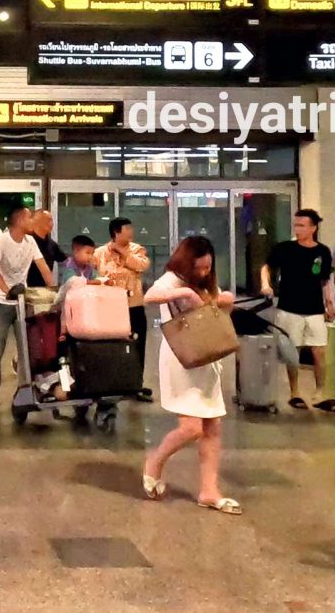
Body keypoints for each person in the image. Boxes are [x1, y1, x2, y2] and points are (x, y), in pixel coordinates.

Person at [142, 236, 240, 515]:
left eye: (208, 267)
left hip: (206, 359)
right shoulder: (172, 279)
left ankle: (209, 490)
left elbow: (214, 315)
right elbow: (149, 296)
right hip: (181, 359)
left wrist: (224, 302)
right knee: (191, 428)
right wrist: (184, 294)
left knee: (212, 426)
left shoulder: (207, 282)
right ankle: (154, 461)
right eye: (199, 267)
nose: (204, 272)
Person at [261, 209, 335, 411]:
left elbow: (325, 279)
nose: (298, 229)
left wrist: (330, 301)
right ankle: (294, 391)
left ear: (313, 228)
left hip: (314, 307)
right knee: (292, 351)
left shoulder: (322, 251)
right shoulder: (285, 248)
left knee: (319, 350)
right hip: (289, 306)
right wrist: (265, 284)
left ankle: (320, 391)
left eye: (302, 225)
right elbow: (267, 266)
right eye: (296, 225)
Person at [0, 206, 55, 406]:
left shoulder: (30, 241)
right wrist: (7, 290)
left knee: (26, 347)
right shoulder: (1, 241)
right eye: (30, 218)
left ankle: (25, 387)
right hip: (0, 302)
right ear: (21, 220)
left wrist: (54, 292)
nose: (33, 222)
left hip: (22, 301)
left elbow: (43, 267)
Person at [94, 217, 152, 368]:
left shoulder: (136, 249)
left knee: (136, 343)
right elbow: (93, 272)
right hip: (109, 306)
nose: (131, 232)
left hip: (133, 306)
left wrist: (122, 252)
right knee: (112, 344)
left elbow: (142, 265)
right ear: (116, 232)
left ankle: (136, 380)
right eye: (127, 229)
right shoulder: (100, 252)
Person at [27, 208, 67, 287]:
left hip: (44, 289)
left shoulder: (51, 244)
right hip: (26, 288)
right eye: (48, 220)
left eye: (52, 220)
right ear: (36, 221)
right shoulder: (26, 241)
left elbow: (66, 261)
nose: (51, 223)